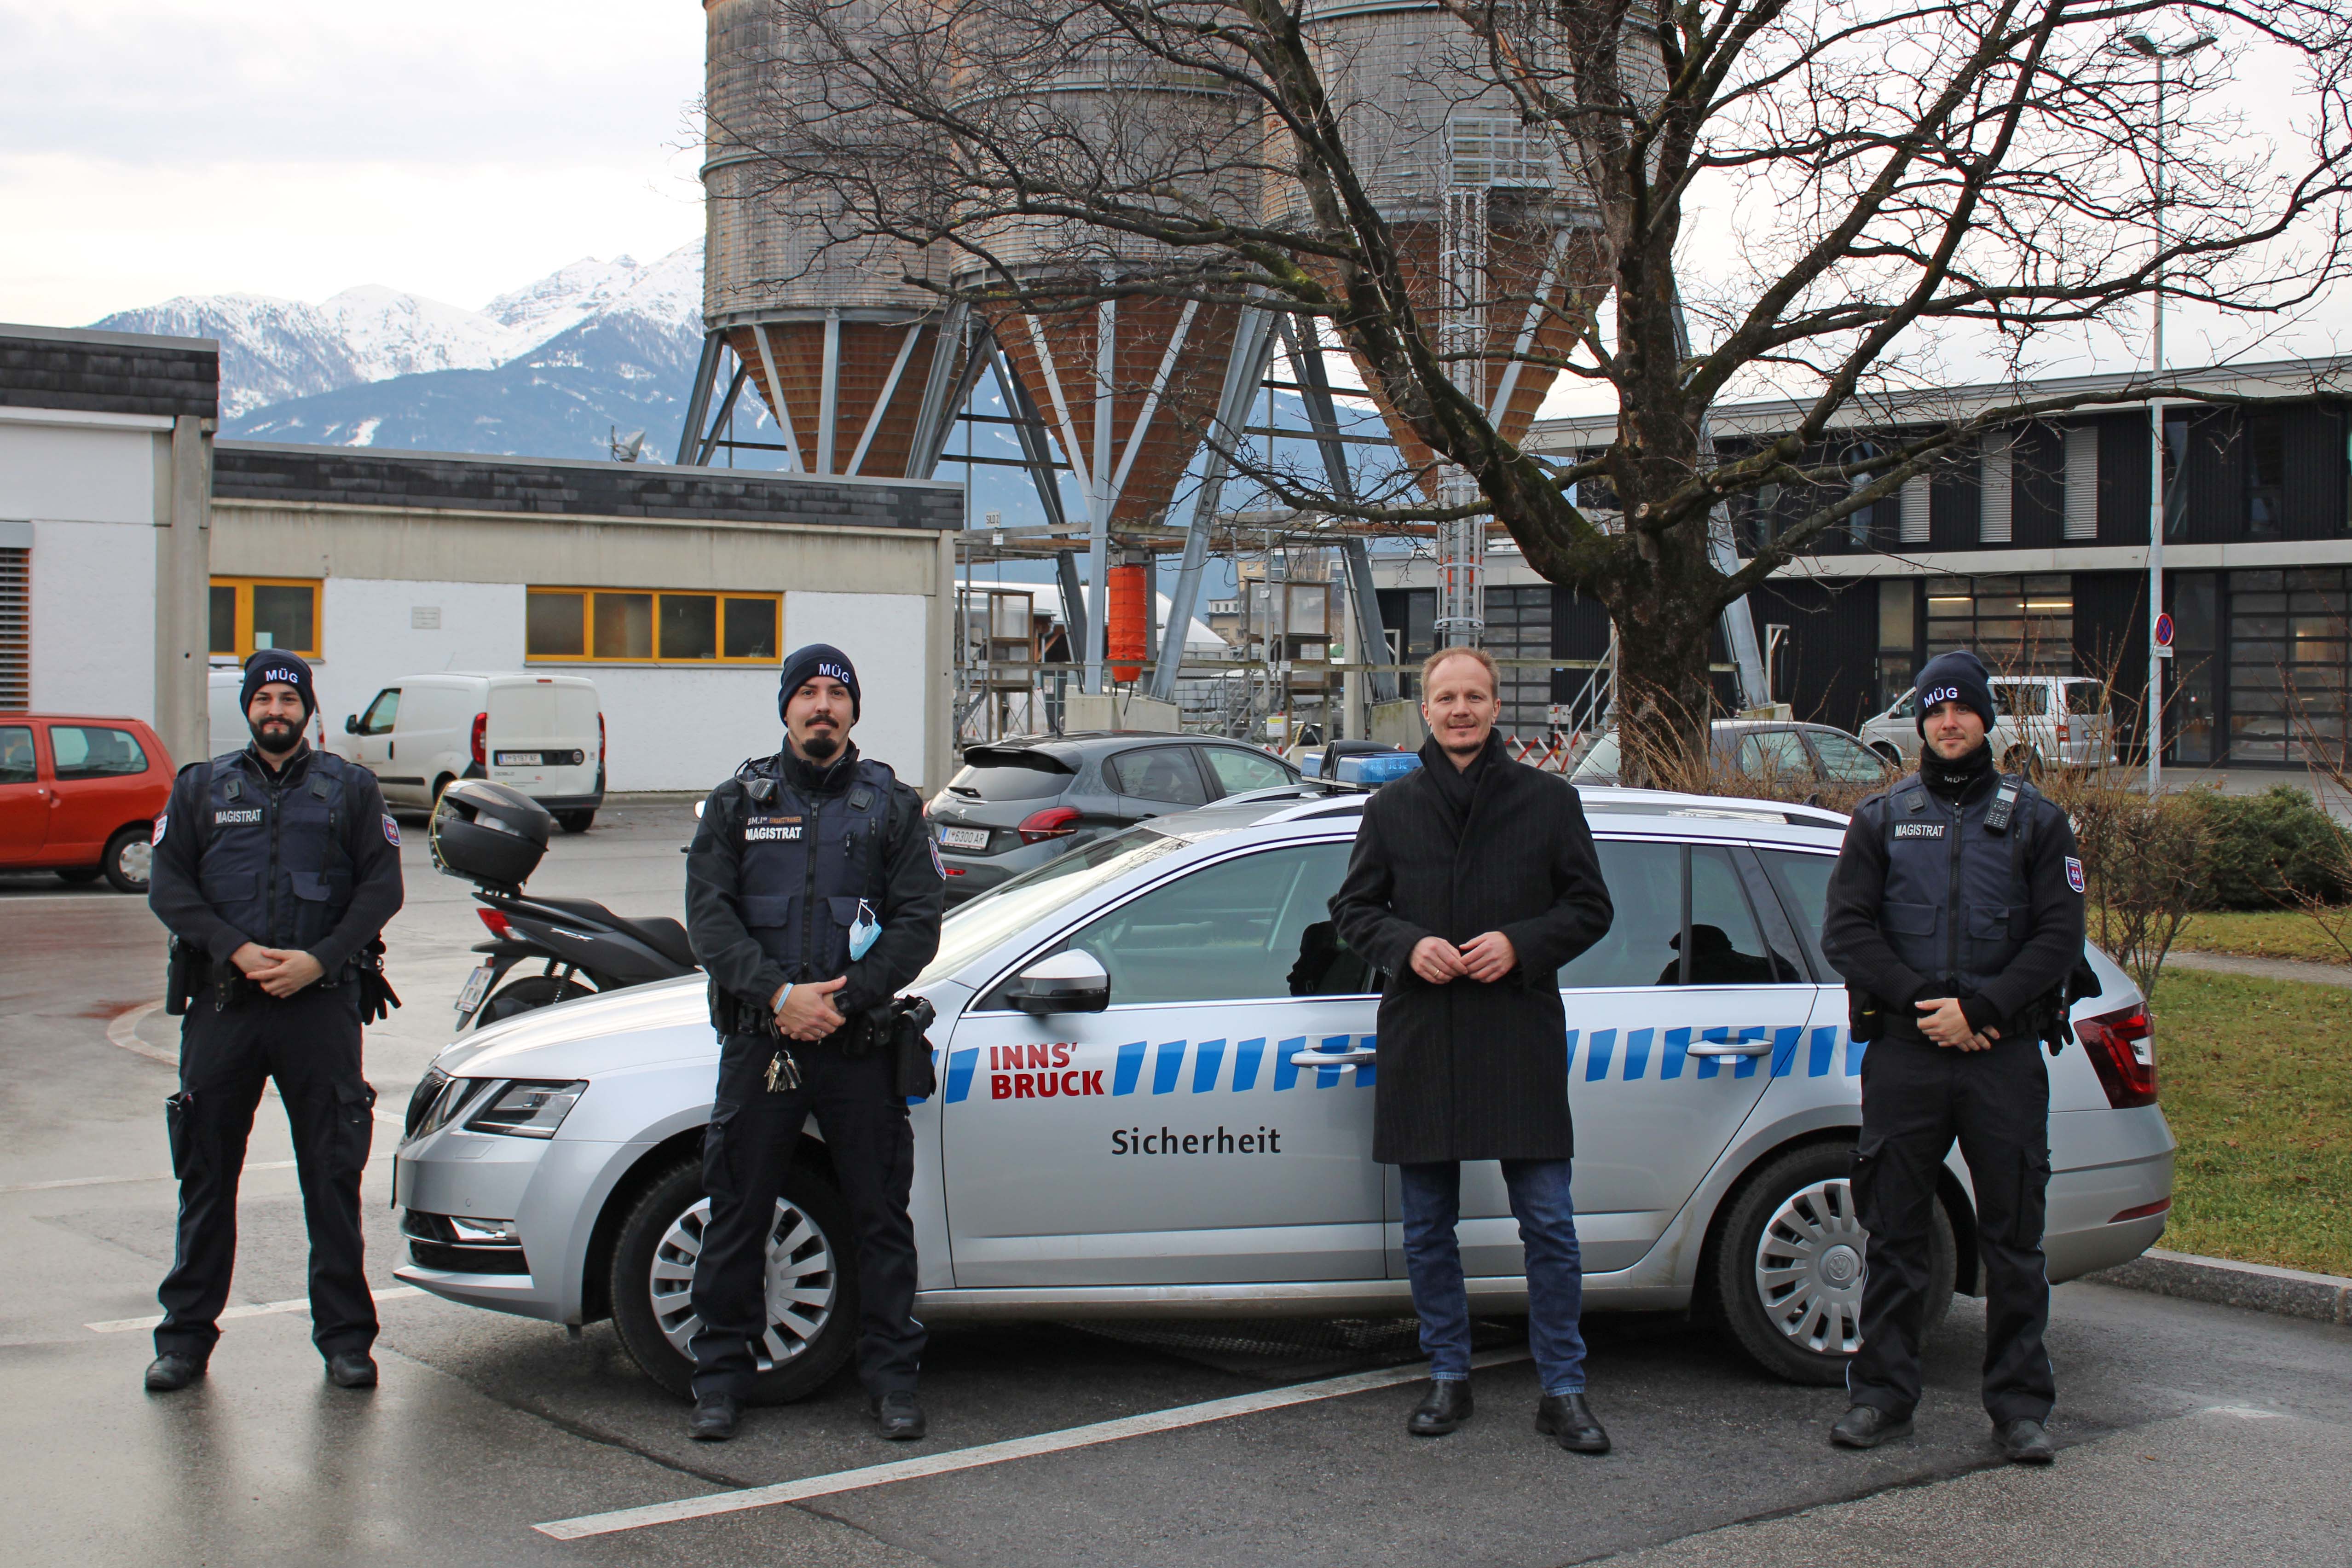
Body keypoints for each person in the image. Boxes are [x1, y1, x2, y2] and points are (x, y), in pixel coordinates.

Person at [1329, 646, 1616, 1453]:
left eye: (1475, 697)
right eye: (1447, 698)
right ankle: (1447, 1375)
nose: (1461, 710)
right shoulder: (1392, 809)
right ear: (1426, 709)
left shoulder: (1550, 802)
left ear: (1496, 707)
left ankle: (1563, 1388)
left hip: (1517, 1033)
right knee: (1428, 1227)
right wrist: (1406, 945)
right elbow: (1354, 908)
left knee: (1550, 1224)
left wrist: (1522, 944)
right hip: (1426, 1036)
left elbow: (1590, 908)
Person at [1820, 648, 2086, 1465]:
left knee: (2015, 1242)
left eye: (1962, 709)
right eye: (1934, 710)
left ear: (1986, 719)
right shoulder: (1880, 819)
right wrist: (1926, 1007)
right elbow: (1847, 933)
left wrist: (1983, 1009)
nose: (1948, 722)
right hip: (1909, 1056)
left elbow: (2059, 937)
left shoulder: (2039, 822)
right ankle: (1882, 1399)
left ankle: (2020, 1409)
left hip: (2002, 1056)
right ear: (1920, 723)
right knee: (1895, 1234)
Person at [682, 644, 946, 1443]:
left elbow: (918, 923)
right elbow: (710, 922)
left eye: (837, 692)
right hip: (763, 1042)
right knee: (738, 1212)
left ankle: (892, 1380)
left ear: (854, 710)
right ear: (786, 707)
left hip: (857, 1043)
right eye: (808, 692)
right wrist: (779, 997)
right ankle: (719, 1381)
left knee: (880, 1217)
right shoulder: (737, 802)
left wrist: (843, 1000)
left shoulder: (893, 807)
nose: (822, 705)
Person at [144, 650, 405, 1392]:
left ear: (307, 710)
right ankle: (184, 1341)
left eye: (289, 701)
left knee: (332, 1178)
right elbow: (170, 887)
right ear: (249, 709)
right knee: (205, 1178)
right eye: (264, 701)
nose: (276, 712)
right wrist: (234, 948)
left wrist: (320, 960)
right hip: (226, 1008)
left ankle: (347, 1341)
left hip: (318, 1009)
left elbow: (381, 889)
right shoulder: (201, 788)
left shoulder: (351, 790)